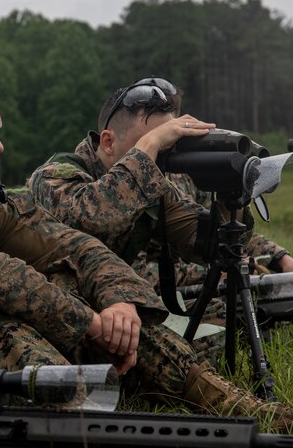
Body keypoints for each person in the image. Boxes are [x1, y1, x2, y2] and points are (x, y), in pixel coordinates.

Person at [0, 71, 293, 430]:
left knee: (74, 286)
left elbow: (75, 246)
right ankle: (90, 424)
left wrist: (116, 301)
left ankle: (242, 410)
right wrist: (90, 323)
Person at [28, 77, 293, 298]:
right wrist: (148, 148)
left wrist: (229, 189)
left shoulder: (150, 183)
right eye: (155, 143)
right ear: (108, 143)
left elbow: (209, 243)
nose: (162, 154)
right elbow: (90, 220)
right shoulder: (55, 176)